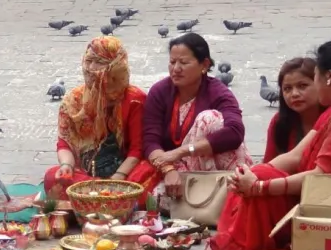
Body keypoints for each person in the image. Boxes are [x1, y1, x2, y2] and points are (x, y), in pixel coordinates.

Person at [211, 42, 331, 250]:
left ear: (328, 77)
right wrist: (249, 176)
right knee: (260, 172)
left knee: (261, 180)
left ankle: (240, 245)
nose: (295, 93)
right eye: (287, 89)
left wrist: (259, 187)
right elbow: (296, 156)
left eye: (312, 79)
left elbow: (322, 177)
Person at [137, 33, 251, 201]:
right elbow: (150, 140)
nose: (176, 69)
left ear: (204, 65)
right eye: (172, 62)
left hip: (213, 168)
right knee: (154, 198)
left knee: (209, 119)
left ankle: (224, 195)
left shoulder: (217, 93)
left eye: (183, 62)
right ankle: (209, 200)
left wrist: (183, 151)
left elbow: (235, 132)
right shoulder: (159, 92)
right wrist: (168, 169)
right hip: (174, 168)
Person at [42, 36, 146, 198]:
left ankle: (90, 198)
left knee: (147, 178)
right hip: (85, 174)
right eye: (88, 60)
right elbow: (64, 143)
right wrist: (66, 165)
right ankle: (99, 197)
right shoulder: (73, 99)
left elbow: (136, 150)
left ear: (116, 66)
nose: (90, 68)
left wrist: (118, 178)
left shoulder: (134, 99)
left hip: (124, 173)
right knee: (52, 177)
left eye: (98, 62)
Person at [264, 56, 323, 162]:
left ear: (319, 84)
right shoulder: (279, 122)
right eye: (287, 89)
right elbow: (268, 163)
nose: (294, 94)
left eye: (302, 86)